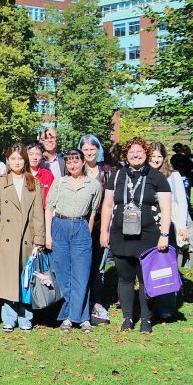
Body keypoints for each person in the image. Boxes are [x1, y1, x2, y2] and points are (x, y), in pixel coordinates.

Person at [100, 138, 172, 333]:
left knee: (145, 279)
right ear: (126, 155)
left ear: (146, 153)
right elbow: (107, 205)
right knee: (125, 278)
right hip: (120, 235)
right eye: (131, 152)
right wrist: (103, 231)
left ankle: (146, 320)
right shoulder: (117, 175)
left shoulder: (157, 177)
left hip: (148, 235)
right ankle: (128, 318)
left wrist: (164, 235)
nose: (136, 155)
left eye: (140, 151)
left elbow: (166, 209)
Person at [46, 149, 103, 333]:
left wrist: (87, 232)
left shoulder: (93, 185)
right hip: (59, 226)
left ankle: (83, 317)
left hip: (80, 227)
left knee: (81, 274)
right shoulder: (59, 183)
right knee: (63, 274)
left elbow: (93, 212)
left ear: (83, 162)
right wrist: (48, 235)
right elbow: (49, 209)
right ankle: (69, 317)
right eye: (69, 162)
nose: (73, 165)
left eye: (76, 161)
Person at [0, 144, 45, 332]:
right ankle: (9, 318)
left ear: (25, 160)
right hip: (6, 236)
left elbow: (38, 213)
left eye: (20, 159)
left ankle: (26, 317)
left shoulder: (34, 183)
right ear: (7, 160)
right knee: (8, 278)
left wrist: (39, 239)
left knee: (26, 277)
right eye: (13, 158)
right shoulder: (0, 183)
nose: (17, 162)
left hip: (28, 237)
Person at [149, 143, 193, 319]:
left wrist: (182, 225)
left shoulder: (173, 176)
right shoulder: (144, 174)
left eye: (159, 156)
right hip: (150, 226)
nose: (156, 160)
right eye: (152, 156)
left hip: (170, 226)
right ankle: (152, 304)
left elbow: (182, 201)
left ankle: (167, 306)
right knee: (151, 267)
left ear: (164, 157)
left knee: (168, 265)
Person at [79, 133, 113, 323]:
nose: (89, 152)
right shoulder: (76, 169)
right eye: (85, 149)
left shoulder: (107, 171)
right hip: (80, 224)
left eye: (93, 149)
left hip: (101, 225)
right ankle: (82, 303)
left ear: (98, 150)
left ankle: (97, 303)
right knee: (82, 265)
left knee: (98, 266)